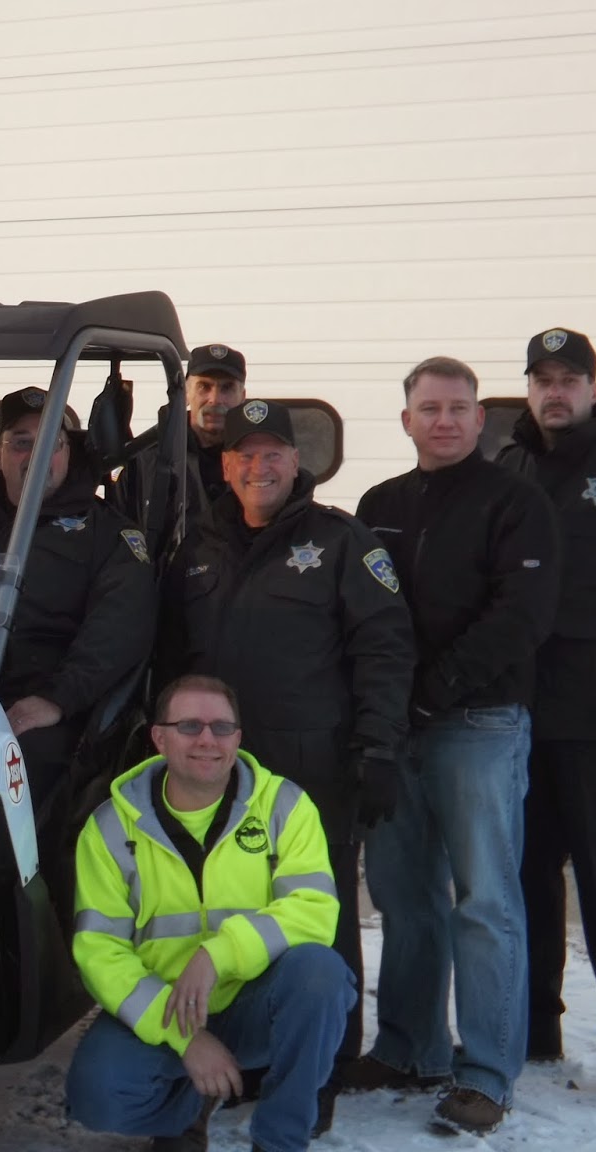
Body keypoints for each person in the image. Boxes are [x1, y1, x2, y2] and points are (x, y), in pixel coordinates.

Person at [157, 397, 414, 1105]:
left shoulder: (343, 542)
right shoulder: (196, 548)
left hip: (314, 768)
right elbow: (171, 657)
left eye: (274, 453)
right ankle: (243, 1057)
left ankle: (319, 1077)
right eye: (246, 454)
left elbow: (384, 649)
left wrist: (377, 750)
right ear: (225, 464)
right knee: (226, 915)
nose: (259, 465)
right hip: (213, 770)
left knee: (315, 917)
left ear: (297, 464)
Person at [350, 356, 561, 1134]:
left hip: (480, 724)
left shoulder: (517, 504)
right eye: (429, 407)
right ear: (405, 420)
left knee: (484, 902)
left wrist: (434, 689)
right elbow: (364, 612)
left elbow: (522, 616)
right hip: (395, 729)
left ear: (481, 420)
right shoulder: (378, 505)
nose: (443, 419)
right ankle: (409, 1047)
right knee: (405, 898)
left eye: (458, 407)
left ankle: (486, 1072)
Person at [65, 673, 354, 1152]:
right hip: (168, 1007)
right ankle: (186, 1111)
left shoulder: (285, 805)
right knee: (98, 1096)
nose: (207, 740)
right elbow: (99, 951)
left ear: (238, 738)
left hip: (256, 1004)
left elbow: (315, 911)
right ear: (159, 738)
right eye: (189, 726)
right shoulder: (110, 828)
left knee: (322, 976)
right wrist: (186, 1039)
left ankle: (280, 1139)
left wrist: (219, 954)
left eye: (222, 728)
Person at [494, 327, 596, 1115]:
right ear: (528, 388)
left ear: (594, 388)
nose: (555, 392)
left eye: (570, 379)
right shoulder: (510, 468)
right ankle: (530, 1032)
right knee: (524, 881)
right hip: (520, 718)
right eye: (542, 379)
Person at [0, 386, 156, 876]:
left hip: (41, 708)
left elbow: (119, 630)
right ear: (0, 453)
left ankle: (16, 902)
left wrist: (57, 700)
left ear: (69, 451)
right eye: (21, 442)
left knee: (14, 782)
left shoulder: (106, 533)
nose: (35, 454)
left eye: (50, 442)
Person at [117, 343, 247, 531]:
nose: (215, 399)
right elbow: (120, 536)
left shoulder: (257, 461)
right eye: (204, 386)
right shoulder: (147, 460)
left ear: (242, 397)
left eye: (227, 388)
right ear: (186, 393)